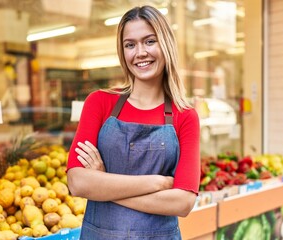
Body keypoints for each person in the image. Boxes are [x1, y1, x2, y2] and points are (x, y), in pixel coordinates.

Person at [67, 5, 200, 239]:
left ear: (165, 44)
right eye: (130, 45)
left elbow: (183, 202)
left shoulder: (185, 115)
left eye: (149, 41)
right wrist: (157, 183)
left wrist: (103, 184)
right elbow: (77, 182)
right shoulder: (99, 103)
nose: (140, 52)